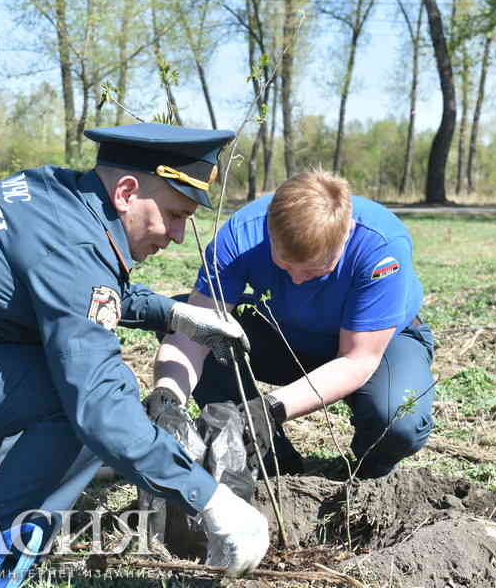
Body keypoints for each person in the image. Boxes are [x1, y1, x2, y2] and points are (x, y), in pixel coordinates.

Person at [0, 123, 268, 577]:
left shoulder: (59, 197)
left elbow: (70, 289)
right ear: (127, 192)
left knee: (71, 381)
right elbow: (99, 407)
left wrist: (172, 315)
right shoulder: (73, 241)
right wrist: (209, 497)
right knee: (85, 396)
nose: (177, 234)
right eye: (175, 213)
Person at [149, 169, 435, 480]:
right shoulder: (241, 237)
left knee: (398, 421)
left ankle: (365, 476)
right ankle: (271, 459)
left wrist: (268, 409)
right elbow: (196, 332)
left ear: (347, 233)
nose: (297, 280)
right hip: (283, 334)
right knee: (182, 318)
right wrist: (168, 396)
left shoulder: (380, 247)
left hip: (374, 345)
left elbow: (357, 360)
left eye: (315, 270)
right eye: (284, 266)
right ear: (269, 230)